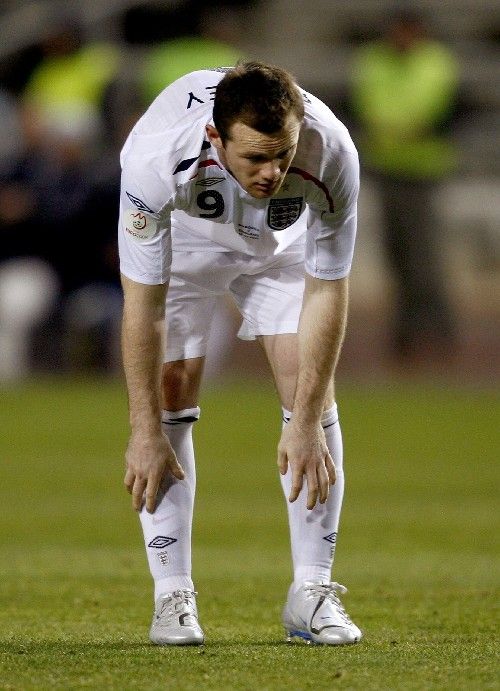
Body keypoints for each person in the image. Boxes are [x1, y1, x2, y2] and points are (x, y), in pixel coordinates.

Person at [118, 61, 362, 646]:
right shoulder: (154, 163)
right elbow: (143, 308)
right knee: (172, 389)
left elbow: (329, 289)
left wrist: (304, 421)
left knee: (310, 390)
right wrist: (142, 428)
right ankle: (172, 596)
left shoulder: (332, 152)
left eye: (284, 154)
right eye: (255, 158)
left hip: (280, 251)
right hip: (188, 244)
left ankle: (312, 591)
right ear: (214, 138)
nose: (273, 172)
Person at [349, 10, 459, 364]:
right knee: (396, 254)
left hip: (423, 168)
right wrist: (394, 129)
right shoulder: (374, 60)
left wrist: (395, 129)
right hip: (387, 167)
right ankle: (407, 331)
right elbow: (364, 104)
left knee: (423, 256)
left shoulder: (436, 61)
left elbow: (437, 110)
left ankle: (436, 329)